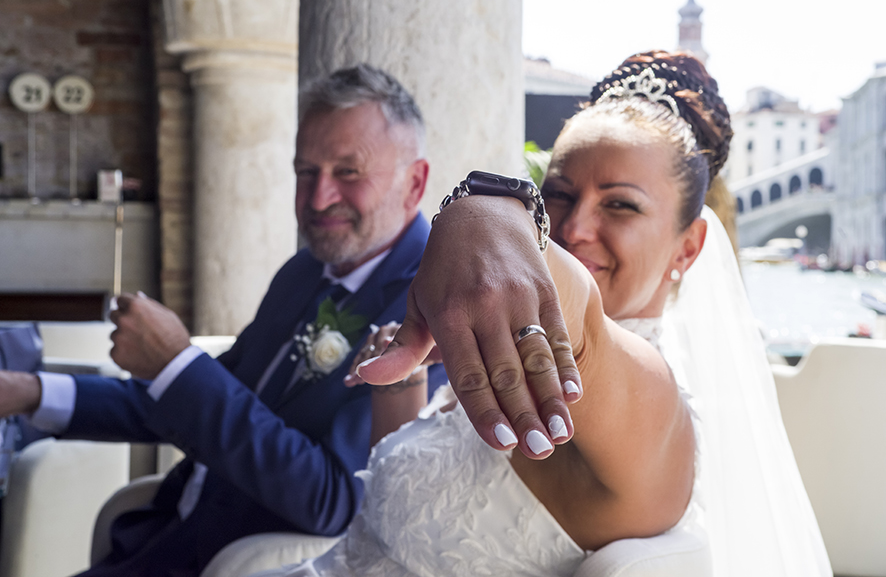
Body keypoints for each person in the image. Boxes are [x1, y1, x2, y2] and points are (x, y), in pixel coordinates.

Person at [263, 51, 832, 576]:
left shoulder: (652, 404)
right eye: (556, 195)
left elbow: (583, 319)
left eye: (620, 204)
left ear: (687, 247)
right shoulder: (513, 344)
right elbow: (396, 510)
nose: (575, 227)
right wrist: (400, 384)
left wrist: (483, 209)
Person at [0, 64, 447, 577]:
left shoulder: (426, 304)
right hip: (161, 540)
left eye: (348, 172)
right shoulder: (304, 273)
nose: (318, 198)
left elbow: (333, 497)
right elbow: (200, 393)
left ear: (415, 182)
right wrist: (31, 391)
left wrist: (177, 362)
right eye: (305, 172)